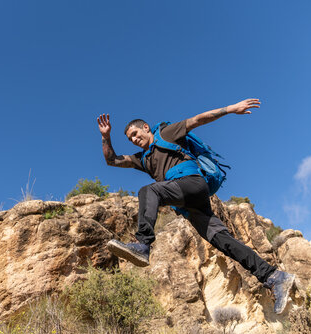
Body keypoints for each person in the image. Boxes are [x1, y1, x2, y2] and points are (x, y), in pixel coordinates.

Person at [97, 99, 295, 314]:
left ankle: (143, 245)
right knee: (224, 242)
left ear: (146, 128)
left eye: (136, 134)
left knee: (148, 191)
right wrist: (106, 137)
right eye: (130, 138)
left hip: (191, 183)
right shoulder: (143, 159)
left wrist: (230, 109)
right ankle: (274, 277)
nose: (135, 140)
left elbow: (198, 120)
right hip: (190, 206)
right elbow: (112, 161)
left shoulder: (167, 133)